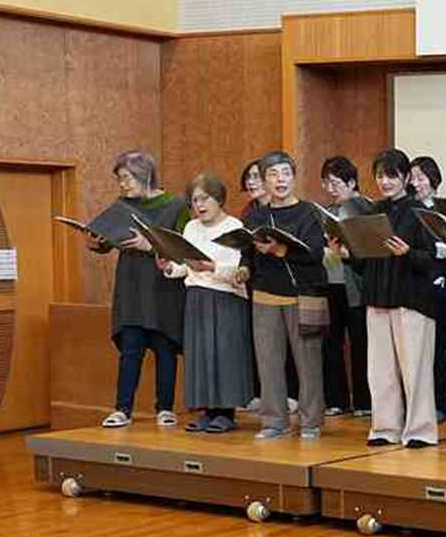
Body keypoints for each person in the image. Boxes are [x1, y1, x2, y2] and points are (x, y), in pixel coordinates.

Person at [344, 149, 441, 448]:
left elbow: (433, 260)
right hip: (377, 296)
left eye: (391, 175)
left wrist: (408, 253)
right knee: (380, 370)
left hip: (412, 300)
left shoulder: (420, 212)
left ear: (406, 177)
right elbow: (365, 262)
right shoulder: (373, 211)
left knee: (414, 370)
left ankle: (421, 430)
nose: (384, 182)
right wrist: (347, 254)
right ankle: (385, 428)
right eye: (379, 176)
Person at [92, 150, 189, 428]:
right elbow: (108, 239)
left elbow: (186, 247)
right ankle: (122, 409)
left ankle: (165, 408)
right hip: (132, 286)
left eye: (126, 178)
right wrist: (96, 243)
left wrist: (150, 246)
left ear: (144, 175)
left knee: (164, 347)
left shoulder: (175, 206)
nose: (122, 185)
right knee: (130, 348)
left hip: (163, 286)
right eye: (120, 180)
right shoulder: (122, 206)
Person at [158, 173, 255, 433]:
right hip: (196, 297)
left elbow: (237, 271)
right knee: (200, 355)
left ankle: (226, 413)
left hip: (225, 298)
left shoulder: (234, 226)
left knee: (224, 353)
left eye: (204, 199)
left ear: (219, 199)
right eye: (194, 200)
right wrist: (169, 267)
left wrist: (211, 267)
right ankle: (207, 411)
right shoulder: (191, 227)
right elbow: (185, 265)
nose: (199, 205)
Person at [241, 150, 328, 439]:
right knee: (268, 362)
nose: (280, 180)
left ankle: (311, 421)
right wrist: (244, 267)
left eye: (286, 173)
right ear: (264, 181)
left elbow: (315, 253)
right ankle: (274, 421)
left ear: (294, 177)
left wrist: (281, 250)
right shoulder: (255, 215)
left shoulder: (308, 212)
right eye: (273, 174)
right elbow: (246, 250)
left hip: (303, 294)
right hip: (265, 293)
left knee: (308, 362)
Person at [319, 156, 373, 417]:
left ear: (352, 183)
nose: (330, 189)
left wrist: (346, 253)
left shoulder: (366, 208)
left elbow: (370, 249)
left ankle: (364, 401)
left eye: (336, 183)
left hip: (357, 285)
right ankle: (336, 400)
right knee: (332, 343)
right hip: (331, 281)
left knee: (361, 343)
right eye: (326, 183)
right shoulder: (329, 211)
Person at [409, 155, 446, 421]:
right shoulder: (408, 209)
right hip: (412, 282)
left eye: (421, 178)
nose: (416, 183)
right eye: (412, 178)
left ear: (433, 179)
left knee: (438, 346)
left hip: (437, 283)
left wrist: (435, 250)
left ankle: (440, 404)